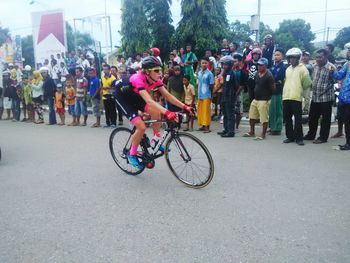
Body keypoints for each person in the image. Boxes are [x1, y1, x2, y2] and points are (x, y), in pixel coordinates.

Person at [114, 56, 193, 168]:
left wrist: (185, 106)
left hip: (135, 95)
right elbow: (149, 101)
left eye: (160, 70)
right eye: (156, 71)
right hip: (122, 97)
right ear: (147, 72)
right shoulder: (138, 79)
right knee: (141, 127)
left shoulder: (156, 80)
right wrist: (167, 112)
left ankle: (155, 140)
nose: (159, 73)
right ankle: (131, 154)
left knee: (156, 112)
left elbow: (168, 95)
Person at [303, 49, 336, 144]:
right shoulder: (315, 66)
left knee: (325, 119)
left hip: (326, 98)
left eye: (320, 57)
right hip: (315, 97)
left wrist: (332, 74)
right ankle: (311, 135)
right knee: (312, 117)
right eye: (317, 57)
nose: (318, 59)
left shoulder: (331, 67)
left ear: (326, 57)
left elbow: (336, 79)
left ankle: (323, 137)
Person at [282, 48, 312, 146]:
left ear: (298, 58)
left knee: (298, 119)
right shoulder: (288, 69)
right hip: (286, 97)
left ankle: (299, 138)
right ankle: (290, 136)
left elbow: (307, 83)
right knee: (287, 118)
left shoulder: (303, 69)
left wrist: (299, 90)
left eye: (294, 58)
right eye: (290, 58)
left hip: (296, 97)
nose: (292, 60)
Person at [244, 58, 275, 140]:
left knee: (264, 118)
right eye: (258, 65)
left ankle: (263, 134)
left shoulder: (269, 75)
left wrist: (268, 98)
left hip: (264, 100)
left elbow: (273, 88)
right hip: (256, 99)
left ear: (265, 66)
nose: (259, 66)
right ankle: (252, 131)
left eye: (261, 65)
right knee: (252, 116)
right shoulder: (257, 73)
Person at [331, 43, 350, 150]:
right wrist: (332, 72)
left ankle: (348, 143)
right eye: (348, 50)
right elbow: (339, 76)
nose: (348, 53)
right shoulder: (347, 64)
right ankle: (347, 141)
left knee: (348, 122)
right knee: (342, 118)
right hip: (343, 97)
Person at [217, 55, 238, 137]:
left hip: (230, 97)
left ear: (229, 64)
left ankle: (231, 131)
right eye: (223, 65)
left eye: (225, 64)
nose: (223, 66)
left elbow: (237, 86)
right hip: (224, 96)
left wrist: (232, 95)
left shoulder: (232, 73)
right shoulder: (225, 73)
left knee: (230, 115)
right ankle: (226, 129)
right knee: (225, 114)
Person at [269, 48, 286, 135]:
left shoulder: (284, 67)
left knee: (278, 110)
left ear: (282, 57)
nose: (276, 56)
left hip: (279, 90)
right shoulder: (272, 66)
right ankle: (272, 126)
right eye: (275, 55)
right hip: (271, 90)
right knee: (271, 110)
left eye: (278, 55)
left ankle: (277, 128)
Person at [197, 57, 214, 133]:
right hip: (200, 94)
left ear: (208, 64)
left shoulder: (210, 74)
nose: (204, 64)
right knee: (201, 111)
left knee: (206, 111)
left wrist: (211, 95)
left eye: (205, 63)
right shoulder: (199, 72)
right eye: (203, 63)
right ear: (200, 64)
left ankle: (207, 127)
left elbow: (211, 85)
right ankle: (203, 125)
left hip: (207, 95)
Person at [232, 53, 247, 131]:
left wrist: (236, 93)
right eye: (233, 61)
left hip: (238, 94)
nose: (234, 63)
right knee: (231, 110)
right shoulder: (231, 71)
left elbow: (242, 85)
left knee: (238, 111)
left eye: (235, 61)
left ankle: (236, 127)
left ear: (240, 62)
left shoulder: (242, 72)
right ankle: (231, 125)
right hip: (231, 93)